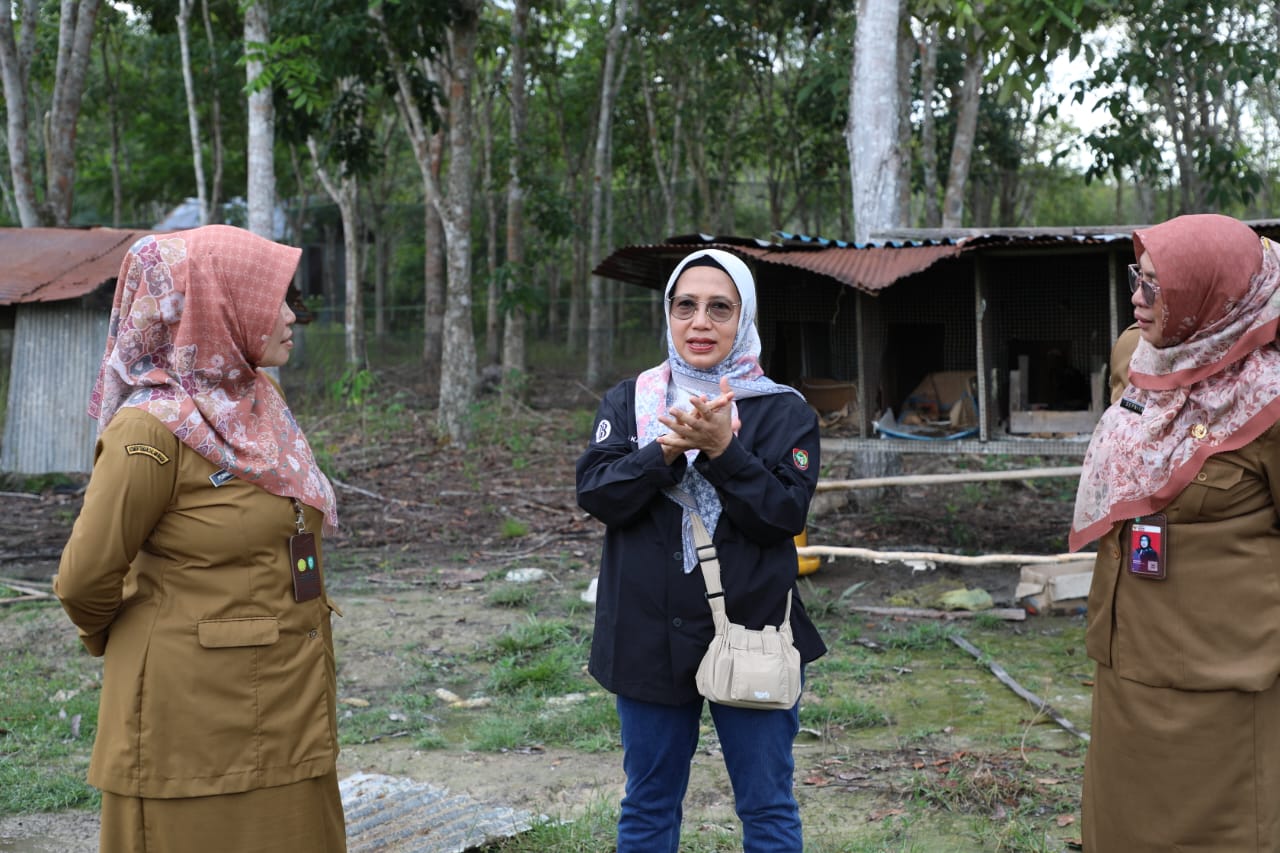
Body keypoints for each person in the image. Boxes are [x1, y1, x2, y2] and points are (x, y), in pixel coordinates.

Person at [53, 224, 346, 853]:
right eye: (273, 299)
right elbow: (83, 579)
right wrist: (138, 640)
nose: (292, 315)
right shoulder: (150, 432)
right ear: (217, 306)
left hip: (286, 689)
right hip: (193, 719)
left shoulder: (257, 402)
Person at [576, 248, 826, 852]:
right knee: (649, 802)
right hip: (645, 632)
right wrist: (662, 450)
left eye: (720, 308)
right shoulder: (631, 401)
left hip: (752, 627)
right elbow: (598, 493)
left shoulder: (783, 411)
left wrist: (723, 449)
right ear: (668, 315)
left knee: (766, 804)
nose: (701, 323)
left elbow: (782, 515)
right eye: (685, 306)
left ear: (745, 318)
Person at [1070, 214, 1280, 851]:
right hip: (1129, 643)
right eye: (1140, 278)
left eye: (1158, 287)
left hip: (1223, 667)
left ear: (1209, 294)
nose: (1137, 298)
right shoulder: (1137, 354)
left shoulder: (1271, 396)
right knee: (1123, 821)